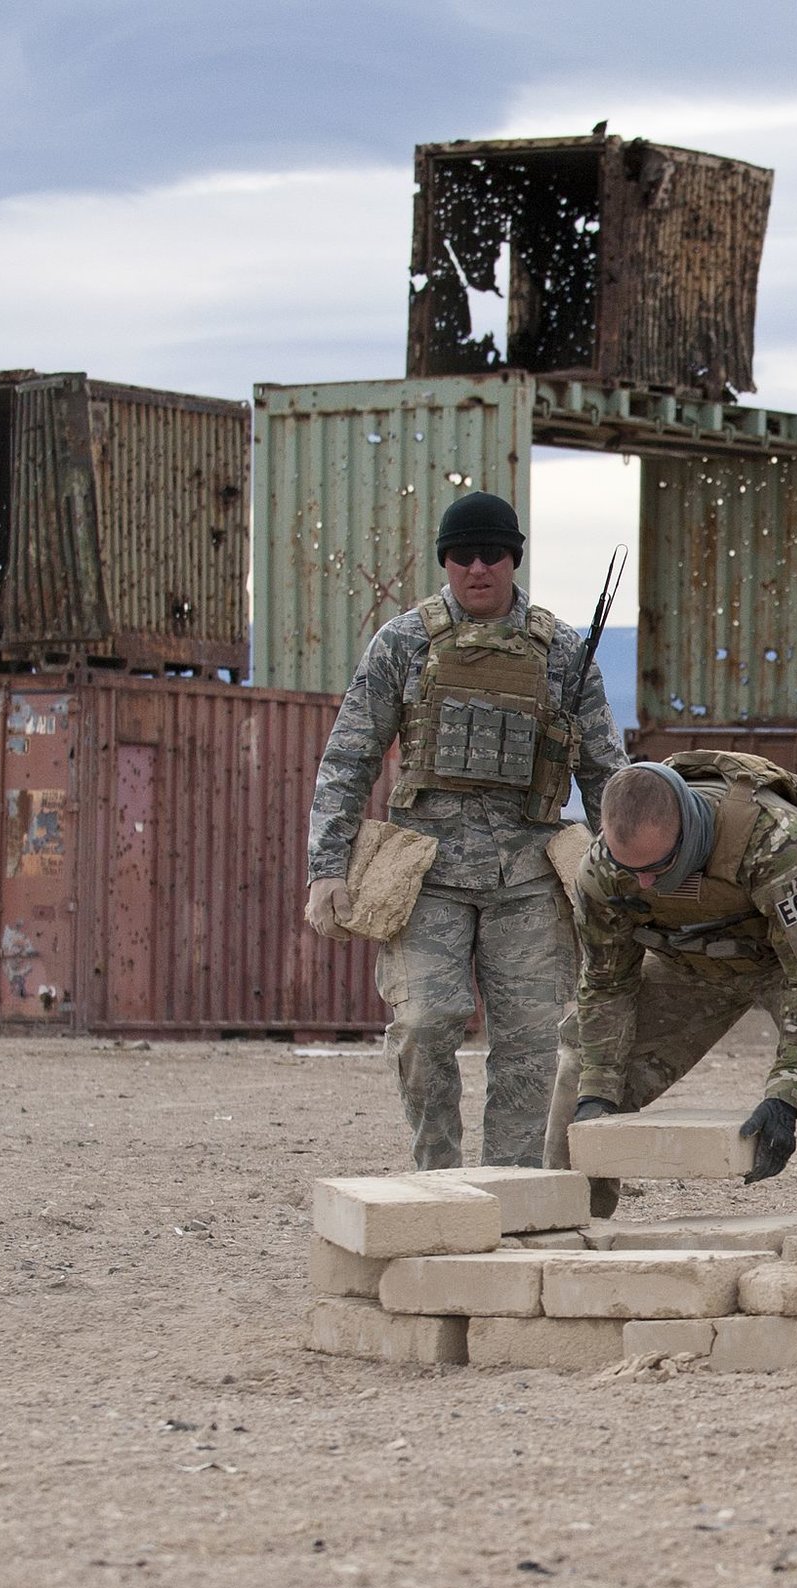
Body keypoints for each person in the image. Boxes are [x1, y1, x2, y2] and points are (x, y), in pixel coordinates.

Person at [305, 492, 629, 1170]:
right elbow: (350, 756)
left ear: (514, 558)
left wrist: (623, 875)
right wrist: (326, 867)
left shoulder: (563, 650)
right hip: (428, 876)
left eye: (492, 554)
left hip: (528, 875)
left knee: (533, 1044)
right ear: (445, 561)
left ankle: (511, 1194)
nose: (477, 568)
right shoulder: (403, 642)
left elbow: (605, 772)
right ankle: (438, 1182)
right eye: (462, 555)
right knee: (423, 1026)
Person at [567, 752, 797, 1238]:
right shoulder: (602, 869)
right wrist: (597, 1095)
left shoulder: (775, 839)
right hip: (689, 962)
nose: (642, 882)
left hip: (793, 961)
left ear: (688, 834)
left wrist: (785, 1095)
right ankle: (569, 1226)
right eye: (631, 869)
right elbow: (605, 984)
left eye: (657, 868)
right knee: (581, 1065)